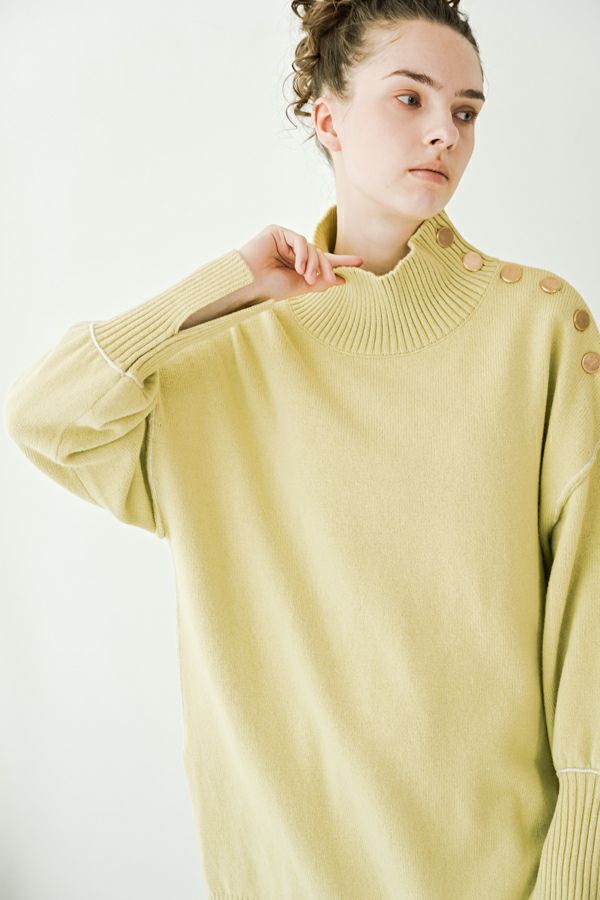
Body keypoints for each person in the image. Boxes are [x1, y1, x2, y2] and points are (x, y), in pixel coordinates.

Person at [4, 0, 600, 897]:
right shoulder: (229, 358)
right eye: (411, 98)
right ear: (328, 119)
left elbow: (591, 617)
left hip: (502, 871)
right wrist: (230, 286)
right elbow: (45, 416)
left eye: (467, 110)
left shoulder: (542, 329)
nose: (445, 131)